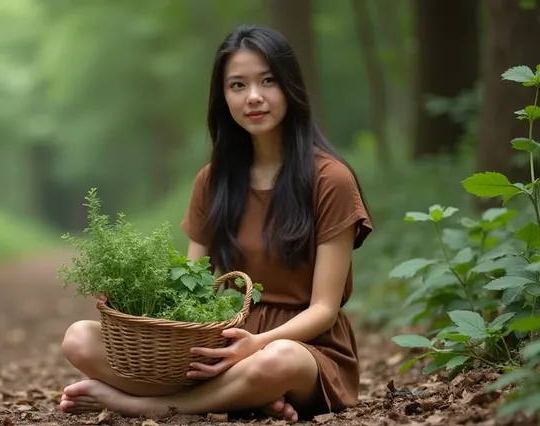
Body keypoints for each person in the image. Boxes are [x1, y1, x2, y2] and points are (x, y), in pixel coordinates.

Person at [58, 24, 372, 423]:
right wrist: (133, 301)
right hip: (221, 342)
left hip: (303, 348)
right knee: (80, 338)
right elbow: (194, 284)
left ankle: (148, 404)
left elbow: (324, 309)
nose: (253, 97)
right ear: (223, 98)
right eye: (237, 85)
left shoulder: (331, 179)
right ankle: (240, 399)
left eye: (268, 81)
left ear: (290, 87)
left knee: (275, 362)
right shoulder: (213, 181)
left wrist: (256, 343)